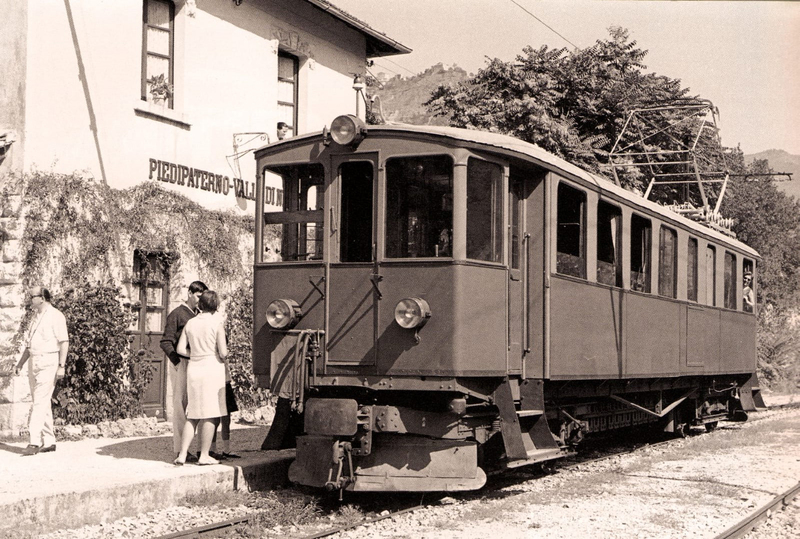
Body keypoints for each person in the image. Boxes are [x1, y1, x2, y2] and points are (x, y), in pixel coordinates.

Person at [14, 286, 69, 456]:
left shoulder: (56, 316)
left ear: (42, 298)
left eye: (32, 297)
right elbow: (29, 346)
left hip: (49, 361)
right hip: (34, 361)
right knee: (41, 401)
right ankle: (50, 441)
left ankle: (34, 441)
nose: (29, 299)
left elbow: (64, 342)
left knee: (39, 402)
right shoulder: (35, 317)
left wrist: (62, 365)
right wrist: (20, 364)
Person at [174, 290, 228, 466]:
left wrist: (195, 354)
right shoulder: (217, 323)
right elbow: (223, 352)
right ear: (216, 305)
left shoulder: (190, 323)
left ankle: (182, 454)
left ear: (200, 305)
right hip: (212, 368)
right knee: (211, 414)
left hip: (194, 369)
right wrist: (216, 355)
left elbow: (181, 349)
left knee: (193, 413)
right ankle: (204, 455)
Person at [160, 280, 207, 464]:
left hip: (197, 364)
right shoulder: (177, 314)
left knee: (196, 406)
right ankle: (180, 449)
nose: (199, 300)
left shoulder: (199, 315)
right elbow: (165, 341)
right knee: (180, 406)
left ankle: (199, 448)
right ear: (189, 293)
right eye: (197, 296)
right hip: (181, 363)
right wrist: (177, 362)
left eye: (202, 297)